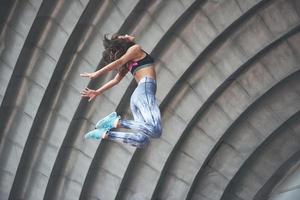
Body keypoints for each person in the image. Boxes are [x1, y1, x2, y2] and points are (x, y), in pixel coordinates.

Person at [80, 34, 162, 148]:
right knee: (155, 130)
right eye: (123, 36)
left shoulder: (128, 63)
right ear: (122, 42)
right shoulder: (135, 49)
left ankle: (104, 134)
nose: (127, 35)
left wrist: (97, 91)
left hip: (138, 97)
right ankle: (114, 122)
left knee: (142, 141)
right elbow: (119, 62)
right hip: (144, 90)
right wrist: (97, 73)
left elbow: (115, 80)